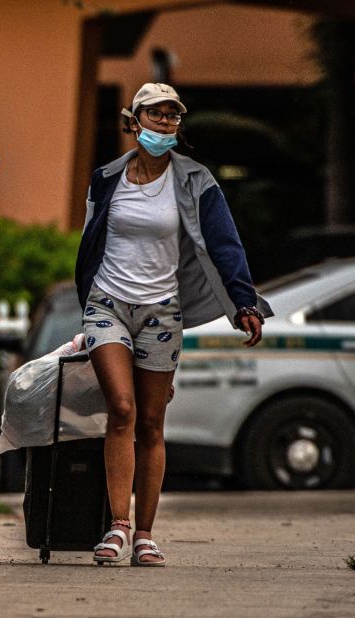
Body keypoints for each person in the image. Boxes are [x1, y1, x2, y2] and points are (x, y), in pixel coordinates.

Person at [74, 83, 271, 566]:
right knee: (120, 408)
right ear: (133, 121)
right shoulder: (106, 178)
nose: (164, 123)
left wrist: (243, 300)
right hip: (108, 303)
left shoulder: (195, 180)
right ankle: (117, 526)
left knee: (151, 421)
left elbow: (225, 243)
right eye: (155, 115)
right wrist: (85, 305)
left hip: (161, 309)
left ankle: (145, 533)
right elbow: (88, 242)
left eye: (171, 116)